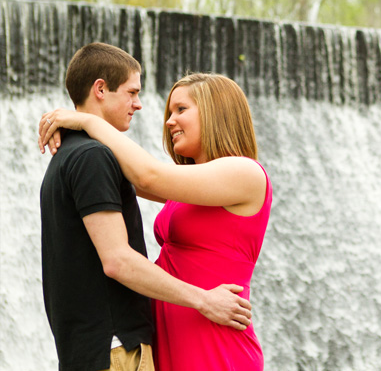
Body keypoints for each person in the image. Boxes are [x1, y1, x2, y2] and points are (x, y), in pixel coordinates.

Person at [38, 43, 253, 371]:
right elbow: (118, 259)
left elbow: (148, 178)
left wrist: (85, 122)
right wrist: (203, 299)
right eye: (132, 92)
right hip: (123, 346)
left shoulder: (244, 173)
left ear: (213, 113)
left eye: (181, 110)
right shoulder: (91, 158)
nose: (165, 119)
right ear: (100, 89)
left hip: (197, 336)